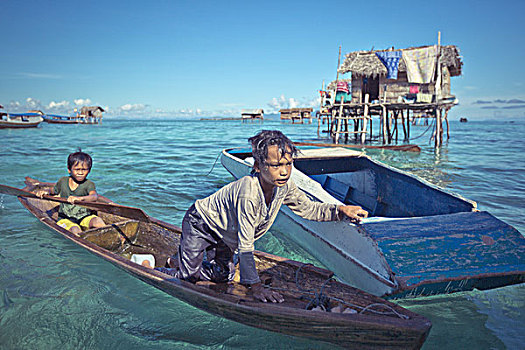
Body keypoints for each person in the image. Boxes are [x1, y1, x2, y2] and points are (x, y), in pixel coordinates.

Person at [175, 130, 368, 303]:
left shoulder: (284, 186)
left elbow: (308, 208)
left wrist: (340, 210)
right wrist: (256, 288)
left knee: (223, 276)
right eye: (275, 165)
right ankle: (168, 267)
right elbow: (246, 245)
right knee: (188, 278)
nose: (284, 171)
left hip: (225, 234)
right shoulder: (248, 193)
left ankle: (181, 258)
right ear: (258, 166)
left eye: (288, 164)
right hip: (200, 223)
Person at [35, 149, 106, 236]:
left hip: (84, 217)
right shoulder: (63, 181)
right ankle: (83, 240)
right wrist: (44, 192)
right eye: (77, 169)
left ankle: (109, 237)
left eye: (84, 169)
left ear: (89, 170)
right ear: (69, 169)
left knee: (98, 221)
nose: (80, 172)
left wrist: (80, 199)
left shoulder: (89, 184)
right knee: (75, 229)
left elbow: (94, 196)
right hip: (66, 219)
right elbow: (53, 191)